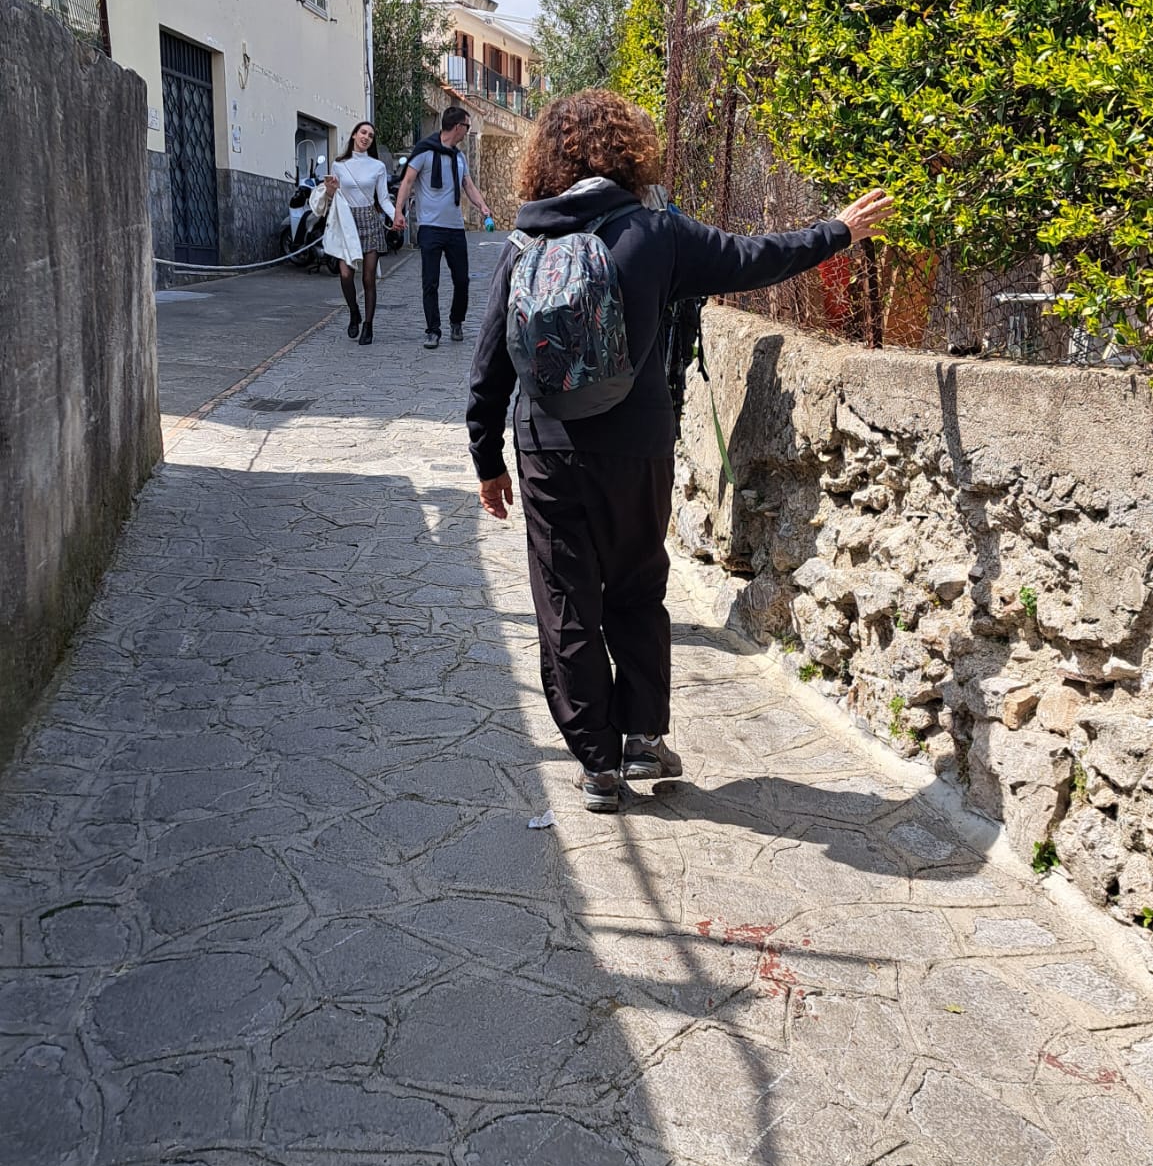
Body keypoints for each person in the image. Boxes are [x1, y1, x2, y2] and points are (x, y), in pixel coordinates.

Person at [466, 88, 893, 813]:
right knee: (635, 588)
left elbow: (489, 366)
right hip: (637, 446)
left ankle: (596, 767)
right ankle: (641, 737)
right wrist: (837, 232)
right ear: (629, 151)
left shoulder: (523, 242)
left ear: (547, 158)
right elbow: (753, 259)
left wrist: (487, 460)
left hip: (547, 448)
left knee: (565, 603)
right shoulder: (657, 233)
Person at [391, 105, 496, 348]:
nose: (467, 131)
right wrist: (398, 211)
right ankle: (433, 330)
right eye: (467, 126)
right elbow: (407, 181)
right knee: (431, 281)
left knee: (462, 280)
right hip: (430, 227)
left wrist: (483, 207)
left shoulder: (459, 157)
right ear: (458, 127)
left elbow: (468, 185)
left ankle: (456, 321)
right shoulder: (424, 151)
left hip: (455, 228)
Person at [311, 122, 394, 346]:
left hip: (369, 220)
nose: (366, 137)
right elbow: (333, 196)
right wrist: (329, 190)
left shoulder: (377, 166)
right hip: (346, 221)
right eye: (363, 132)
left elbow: (383, 198)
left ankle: (368, 325)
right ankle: (354, 311)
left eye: (371, 135)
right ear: (355, 135)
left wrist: (396, 217)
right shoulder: (339, 164)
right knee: (346, 274)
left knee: (368, 278)